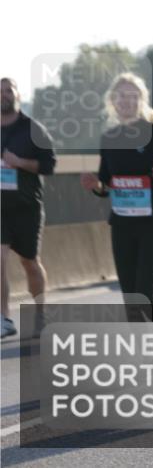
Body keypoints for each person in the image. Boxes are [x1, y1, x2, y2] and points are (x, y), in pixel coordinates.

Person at [79, 72, 153, 367]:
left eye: (133, 96)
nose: (127, 102)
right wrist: (95, 186)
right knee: (132, 298)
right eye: (121, 97)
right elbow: (106, 184)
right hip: (122, 226)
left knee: (142, 293)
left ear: (141, 101)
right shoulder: (109, 138)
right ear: (113, 102)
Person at [1, 78, 56, 339]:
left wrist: (19, 162)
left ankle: (40, 314)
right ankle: (4, 318)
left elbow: (49, 165)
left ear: (17, 95)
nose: (3, 95)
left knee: (30, 263)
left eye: (7, 91)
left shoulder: (33, 129)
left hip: (26, 206)